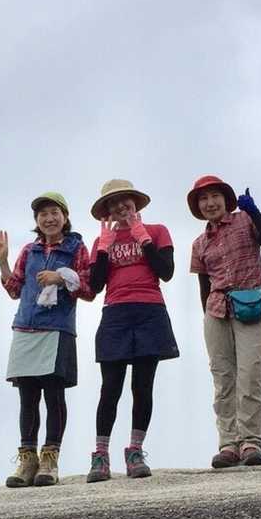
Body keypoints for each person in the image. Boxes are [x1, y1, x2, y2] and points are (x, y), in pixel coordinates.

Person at [0, 192, 91, 487]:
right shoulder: (29, 250)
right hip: (25, 326)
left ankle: (50, 459)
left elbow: (88, 288)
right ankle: (27, 460)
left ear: (65, 216)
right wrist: (2, 262)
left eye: (54, 213)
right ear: (36, 220)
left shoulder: (76, 248)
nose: (49, 219)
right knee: (27, 396)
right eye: (43, 214)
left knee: (53, 394)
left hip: (57, 328)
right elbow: (15, 290)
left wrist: (61, 278)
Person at [187, 175, 261, 468]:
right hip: (216, 310)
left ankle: (250, 440)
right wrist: (207, 315)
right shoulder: (199, 243)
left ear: (226, 199)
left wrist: (254, 211)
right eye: (203, 199)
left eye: (215, 196)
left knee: (251, 373)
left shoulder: (245, 221)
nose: (210, 203)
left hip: (250, 302)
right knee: (222, 377)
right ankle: (228, 443)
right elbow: (203, 285)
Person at [86, 178, 178, 481]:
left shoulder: (158, 231)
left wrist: (143, 238)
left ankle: (135, 451)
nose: (120, 206)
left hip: (150, 309)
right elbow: (95, 285)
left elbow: (166, 272)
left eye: (125, 199)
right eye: (113, 203)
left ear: (135, 202)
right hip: (115, 312)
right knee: (110, 387)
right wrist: (103, 248)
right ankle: (100, 455)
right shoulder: (101, 240)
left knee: (143, 385)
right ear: (107, 210)